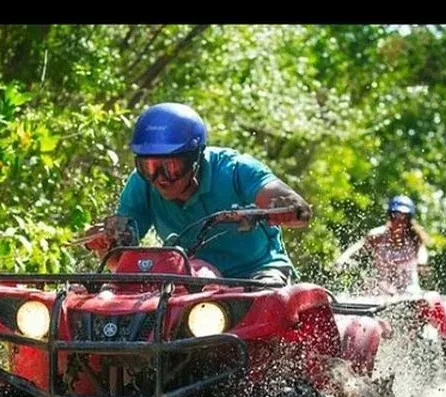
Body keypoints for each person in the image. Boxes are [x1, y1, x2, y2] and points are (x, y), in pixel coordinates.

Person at [83, 102, 311, 285]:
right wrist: (107, 244)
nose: (160, 178)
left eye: (170, 167)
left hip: (257, 272)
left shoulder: (236, 170)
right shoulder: (141, 185)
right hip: (189, 276)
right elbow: (121, 263)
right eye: (150, 167)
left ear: (195, 158)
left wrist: (286, 207)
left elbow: (288, 202)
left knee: (264, 301)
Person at [333, 195, 430, 294]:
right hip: (382, 291)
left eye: (403, 217)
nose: (399, 220)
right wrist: (342, 260)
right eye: (395, 215)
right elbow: (357, 247)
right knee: (367, 288)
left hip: (409, 291)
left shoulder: (414, 239)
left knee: (412, 293)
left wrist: (422, 263)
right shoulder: (378, 236)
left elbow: (422, 253)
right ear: (390, 216)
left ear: (409, 219)